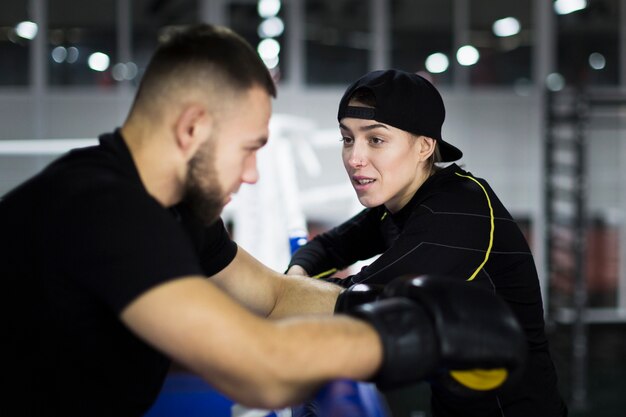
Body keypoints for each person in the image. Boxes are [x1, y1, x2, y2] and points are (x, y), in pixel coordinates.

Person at [2, 26, 525, 417]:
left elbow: (272, 297)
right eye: (249, 149)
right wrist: (413, 330)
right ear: (192, 129)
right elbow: (261, 371)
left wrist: (366, 304)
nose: (254, 175)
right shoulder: (104, 208)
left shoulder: (179, 212)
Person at [287, 69, 568, 417]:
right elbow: (327, 247)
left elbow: (354, 300)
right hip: (454, 404)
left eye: (375, 140)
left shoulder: (460, 209)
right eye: (347, 139)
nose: (355, 157)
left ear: (424, 146)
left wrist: (284, 293)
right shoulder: (399, 203)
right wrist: (296, 279)